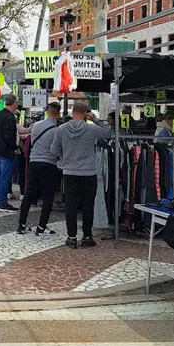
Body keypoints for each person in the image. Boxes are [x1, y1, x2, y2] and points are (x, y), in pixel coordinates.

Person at [50, 101, 113, 249]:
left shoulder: (62, 129)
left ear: (72, 113)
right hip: (88, 172)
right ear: (86, 114)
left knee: (71, 204)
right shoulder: (91, 130)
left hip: (69, 171)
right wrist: (95, 119)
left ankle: (71, 237)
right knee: (87, 204)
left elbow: (53, 150)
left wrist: (63, 156)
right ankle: (87, 236)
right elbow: (108, 133)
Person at [18, 102, 61, 236]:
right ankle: (42, 227)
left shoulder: (36, 126)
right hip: (50, 164)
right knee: (48, 196)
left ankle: (22, 224)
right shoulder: (57, 130)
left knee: (29, 194)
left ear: (48, 111)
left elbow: (31, 141)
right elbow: (58, 149)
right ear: (58, 114)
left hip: (34, 162)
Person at [0, 93, 20, 211]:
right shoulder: (10, 117)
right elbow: (8, 135)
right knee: (5, 177)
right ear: (14, 103)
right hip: (6, 151)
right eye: (17, 102)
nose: (18, 104)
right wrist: (15, 147)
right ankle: (3, 202)